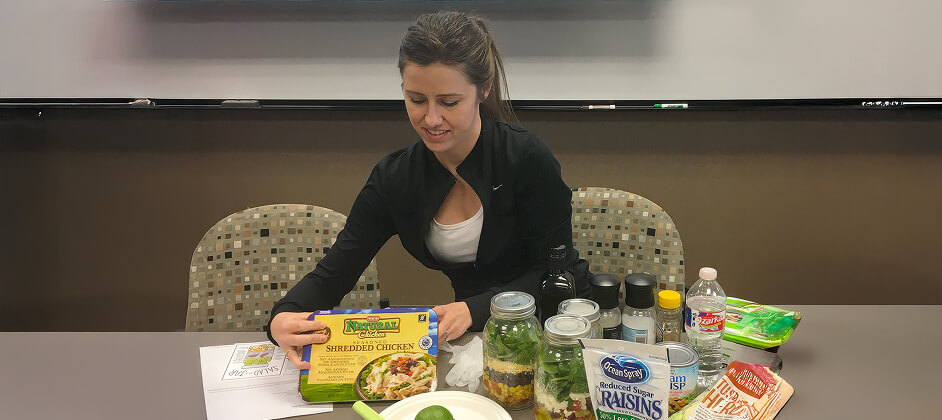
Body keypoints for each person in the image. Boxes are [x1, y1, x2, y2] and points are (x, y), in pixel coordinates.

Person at [268, 10, 590, 369]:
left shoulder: (526, 158)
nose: (431, 119)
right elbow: (336, 271)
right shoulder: (395, 177)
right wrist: (283, 316)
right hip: (473, 339)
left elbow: (560, 272)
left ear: (483, 89)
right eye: (416, 99)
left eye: (449, 102)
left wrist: (475, 308)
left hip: (555, 331)